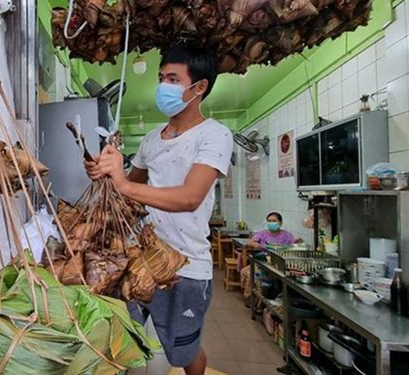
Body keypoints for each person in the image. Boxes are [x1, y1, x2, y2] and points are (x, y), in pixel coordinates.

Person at [84, 42, 233, 375]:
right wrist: (104, 172)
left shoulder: (215, 135)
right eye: (161, 77)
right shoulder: (152, 139)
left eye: (173, 79)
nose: (163, 86)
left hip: (185, 267)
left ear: (199, 87)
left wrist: (123, 183)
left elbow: (189, 197)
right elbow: (129, 193)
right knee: (128, 342)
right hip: (140, 260)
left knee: (184, 353)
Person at [241, 212, 298, 301]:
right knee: (249, 274)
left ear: (280, 223)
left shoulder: (287, 235)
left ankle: (271, 298)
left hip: (280, 262)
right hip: (264, 261)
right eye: (269, 221)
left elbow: (294, 246)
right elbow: (250, 242)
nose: (271, 223)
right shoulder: (263, 234)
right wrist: (255, 244)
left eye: (274, 221)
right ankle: (251, 299)